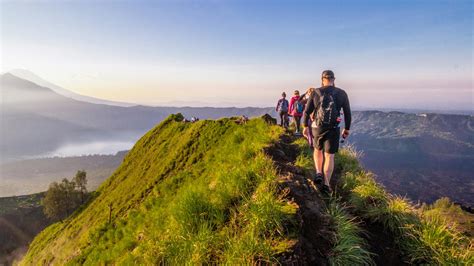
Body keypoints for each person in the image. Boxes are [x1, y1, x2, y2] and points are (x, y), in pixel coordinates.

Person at [302, 70, 351, 195]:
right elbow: (347, 113)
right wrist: (347, 129)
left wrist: (304, 126)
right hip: (333, 128)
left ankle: (318, 172)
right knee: (329, 156)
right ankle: (327, 184)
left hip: (317, 127)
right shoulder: (342, 93)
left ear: (322, 79)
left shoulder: (315, 92)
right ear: (334, 79)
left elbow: (307, 112)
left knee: (317, 150)